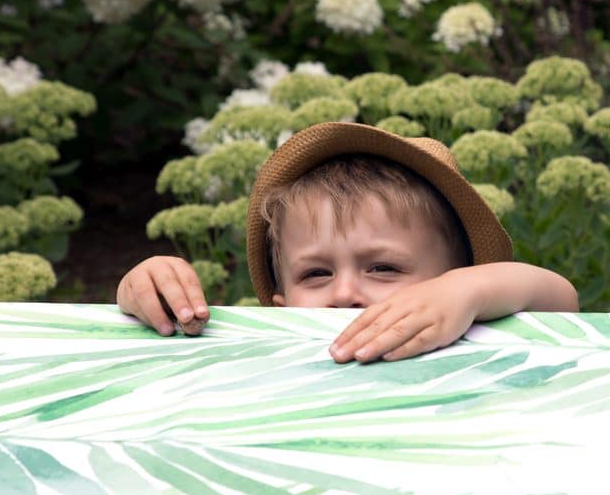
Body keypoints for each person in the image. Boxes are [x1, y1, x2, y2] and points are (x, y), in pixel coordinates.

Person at [117, 122, 578, 363]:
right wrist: (152, 288)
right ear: (280, 304)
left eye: (383, 267)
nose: (344, 295)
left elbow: (563, 301)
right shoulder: (281, 341)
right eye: (315, 273)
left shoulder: (468, 320)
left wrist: (467, 292)